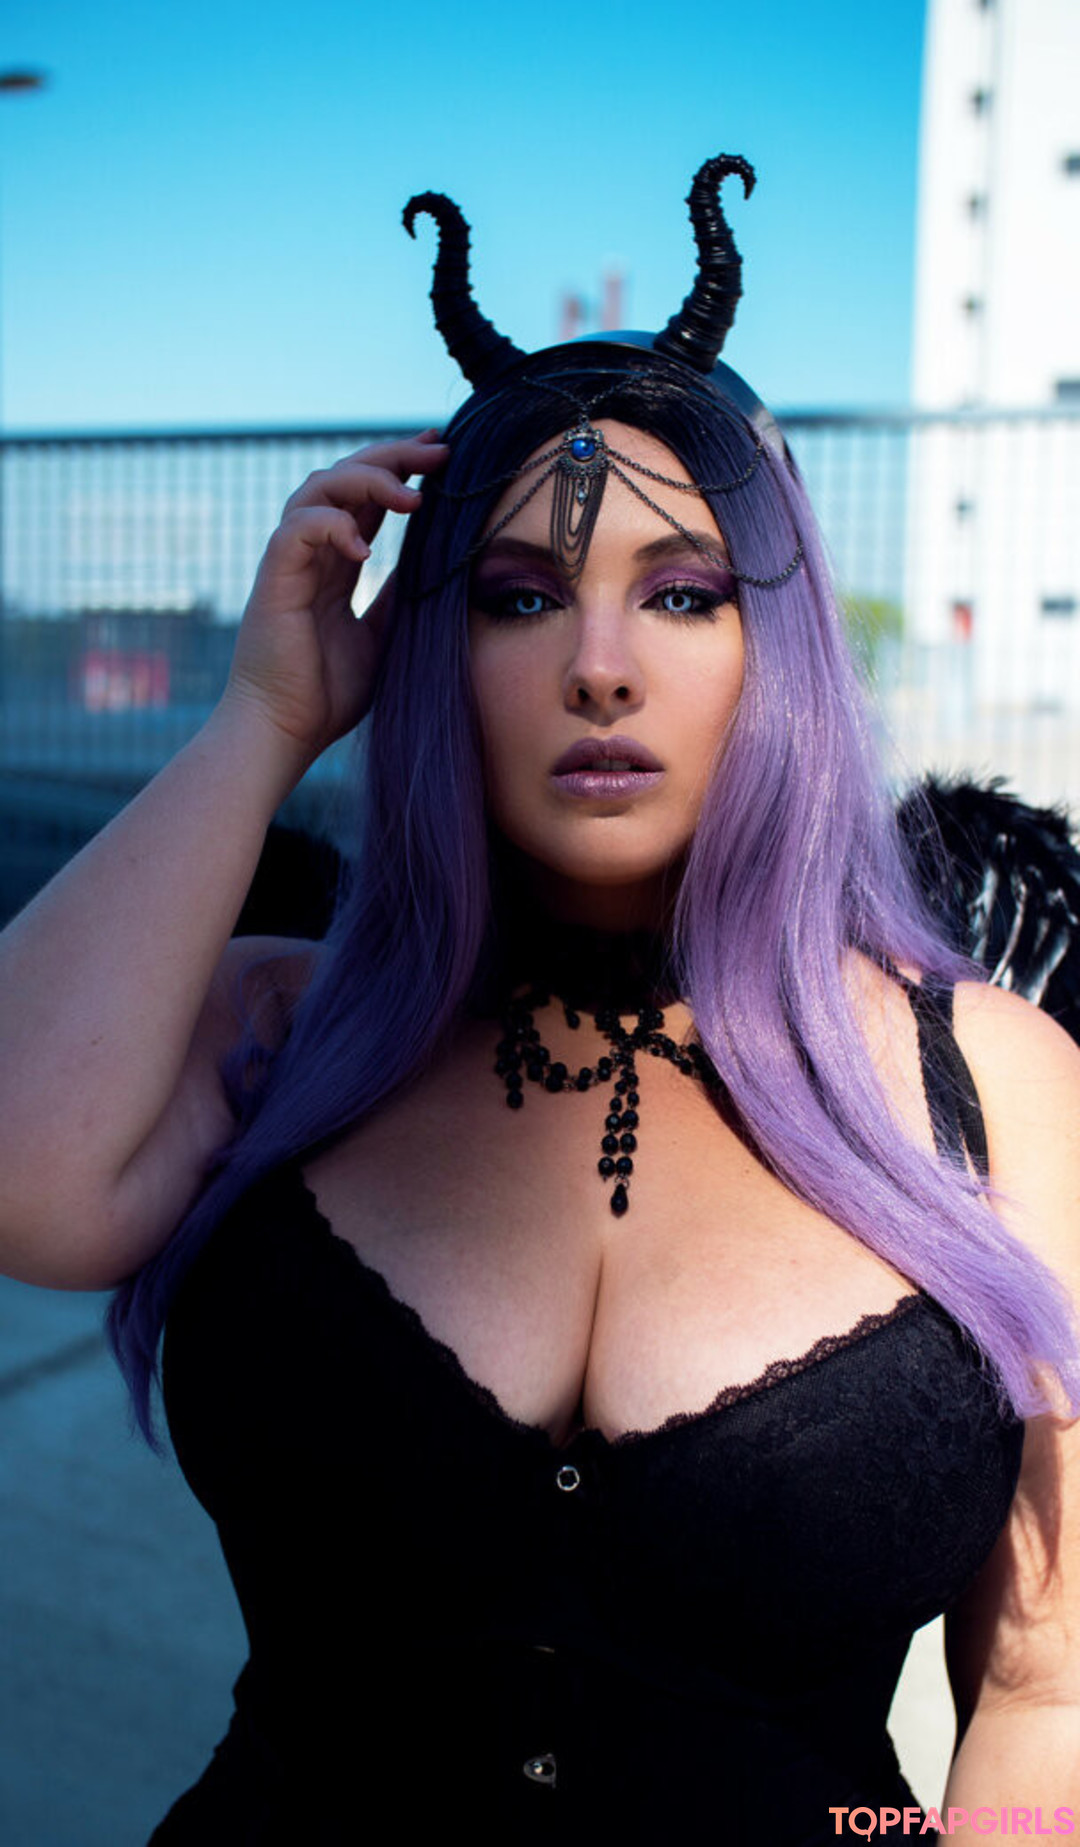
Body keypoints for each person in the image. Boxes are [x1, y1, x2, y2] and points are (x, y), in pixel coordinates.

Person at [1, 155, 1079, 1844]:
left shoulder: (992, 1084)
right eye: (516, 597)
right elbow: (24, 1173)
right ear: (437, 649)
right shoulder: (280, 1028)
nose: (598, 666)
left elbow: (1044, 1692)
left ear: (779, 644)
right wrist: (262, 719)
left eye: (683, 593)